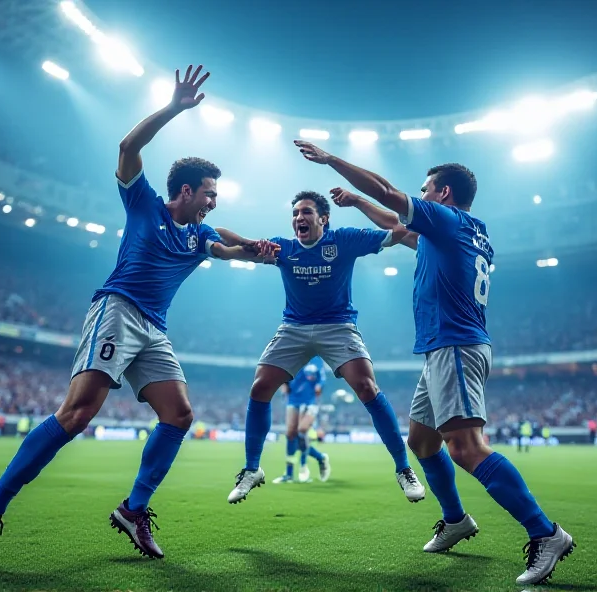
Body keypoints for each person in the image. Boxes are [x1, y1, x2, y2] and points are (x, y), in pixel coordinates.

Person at [0, 65, 278, 571]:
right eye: (209, 193)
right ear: (186, 190)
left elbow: (227, 246)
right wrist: (174, 108)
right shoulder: (145, 205)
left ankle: (134, 509)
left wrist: (255, 250)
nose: (213, 202)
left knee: (180, 416)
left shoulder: (199, 236)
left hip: (154, 330)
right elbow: (128, 148)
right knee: (78, 414)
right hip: (118, 310)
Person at [295, 139, 575, 586]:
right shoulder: (459, 230)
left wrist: (332, 162)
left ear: (443, 194)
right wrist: (357, 201)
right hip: (443, 348)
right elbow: (395, 222)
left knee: (466, 448)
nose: (420, 195)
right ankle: (456, 519)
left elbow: (391, 195)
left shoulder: (446, 220)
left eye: (425, 190)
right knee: (422, 442)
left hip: (455, 347)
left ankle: (546, 533)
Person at [220, 190, 425, 505]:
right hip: (294, 327)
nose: (299, 218)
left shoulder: (344, 240)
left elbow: (398, 232)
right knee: (260, 387)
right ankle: (251, 469)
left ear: (323, 219)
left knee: (367, 387)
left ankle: (404, 468)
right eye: (295, 213)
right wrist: (228, 238)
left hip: (338, 325)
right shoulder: (283, 247)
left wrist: (359, 201)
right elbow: (229, 248)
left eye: (305, 212)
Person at [272, 356, 330, 484]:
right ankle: (289, 473)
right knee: (291, 435)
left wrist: (319, 386)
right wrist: (284, 386)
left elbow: (322, 378)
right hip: (293, 399)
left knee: (302, 430)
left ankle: (304, 468)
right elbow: (284, 375)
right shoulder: (292, 356)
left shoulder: (316, 359)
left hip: (310, 401)